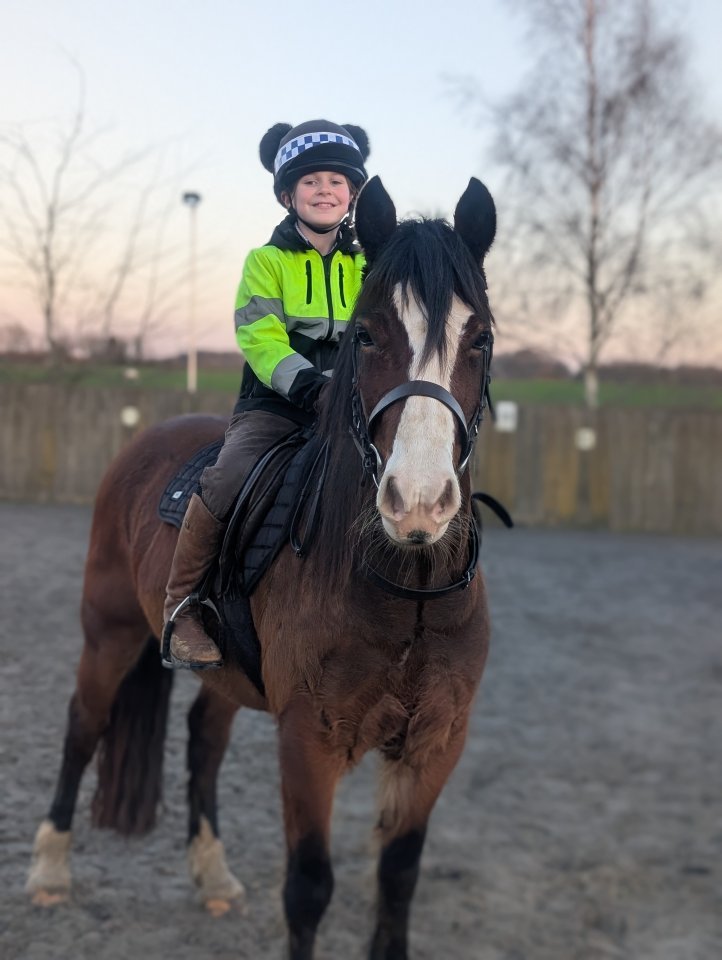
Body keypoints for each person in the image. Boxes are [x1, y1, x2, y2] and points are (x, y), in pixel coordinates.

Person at [163, 119, 370, 668]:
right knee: (228, 476)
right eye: (310, 181)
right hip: (277, 405)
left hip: (352, 407)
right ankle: (181, 606)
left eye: (336, 181)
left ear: (352, 194)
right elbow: (259, 336)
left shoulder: (369, 265)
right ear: (286, 195)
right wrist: (307, 385)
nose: (324, 190)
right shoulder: (266, 261)